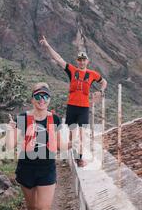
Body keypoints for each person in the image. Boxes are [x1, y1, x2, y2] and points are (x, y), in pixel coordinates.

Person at [5, 82, 66, 210]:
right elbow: (9, 145)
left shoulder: (55, 120)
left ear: (50, 100)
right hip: (27, 168)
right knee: (31, 208)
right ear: (32, 99)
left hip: (47, 169)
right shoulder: (22, 118)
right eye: (38, 96)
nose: (42, 100)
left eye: (45, 96)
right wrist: (11, 129)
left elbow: (63, 146)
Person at [39, 36, 107, 167]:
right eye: (80, 60)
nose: (82, 62)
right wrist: (47, 46)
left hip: (84, 108)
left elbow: (104, 82)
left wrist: (101, 91)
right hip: (72, 107)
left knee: (81, 134)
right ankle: (72, 155)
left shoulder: (92, 74)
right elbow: (58, 59)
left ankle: (79, 159)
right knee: (72, 135)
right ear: (77, 61)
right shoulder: (72, 70)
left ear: (88, 61)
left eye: (84, 60)